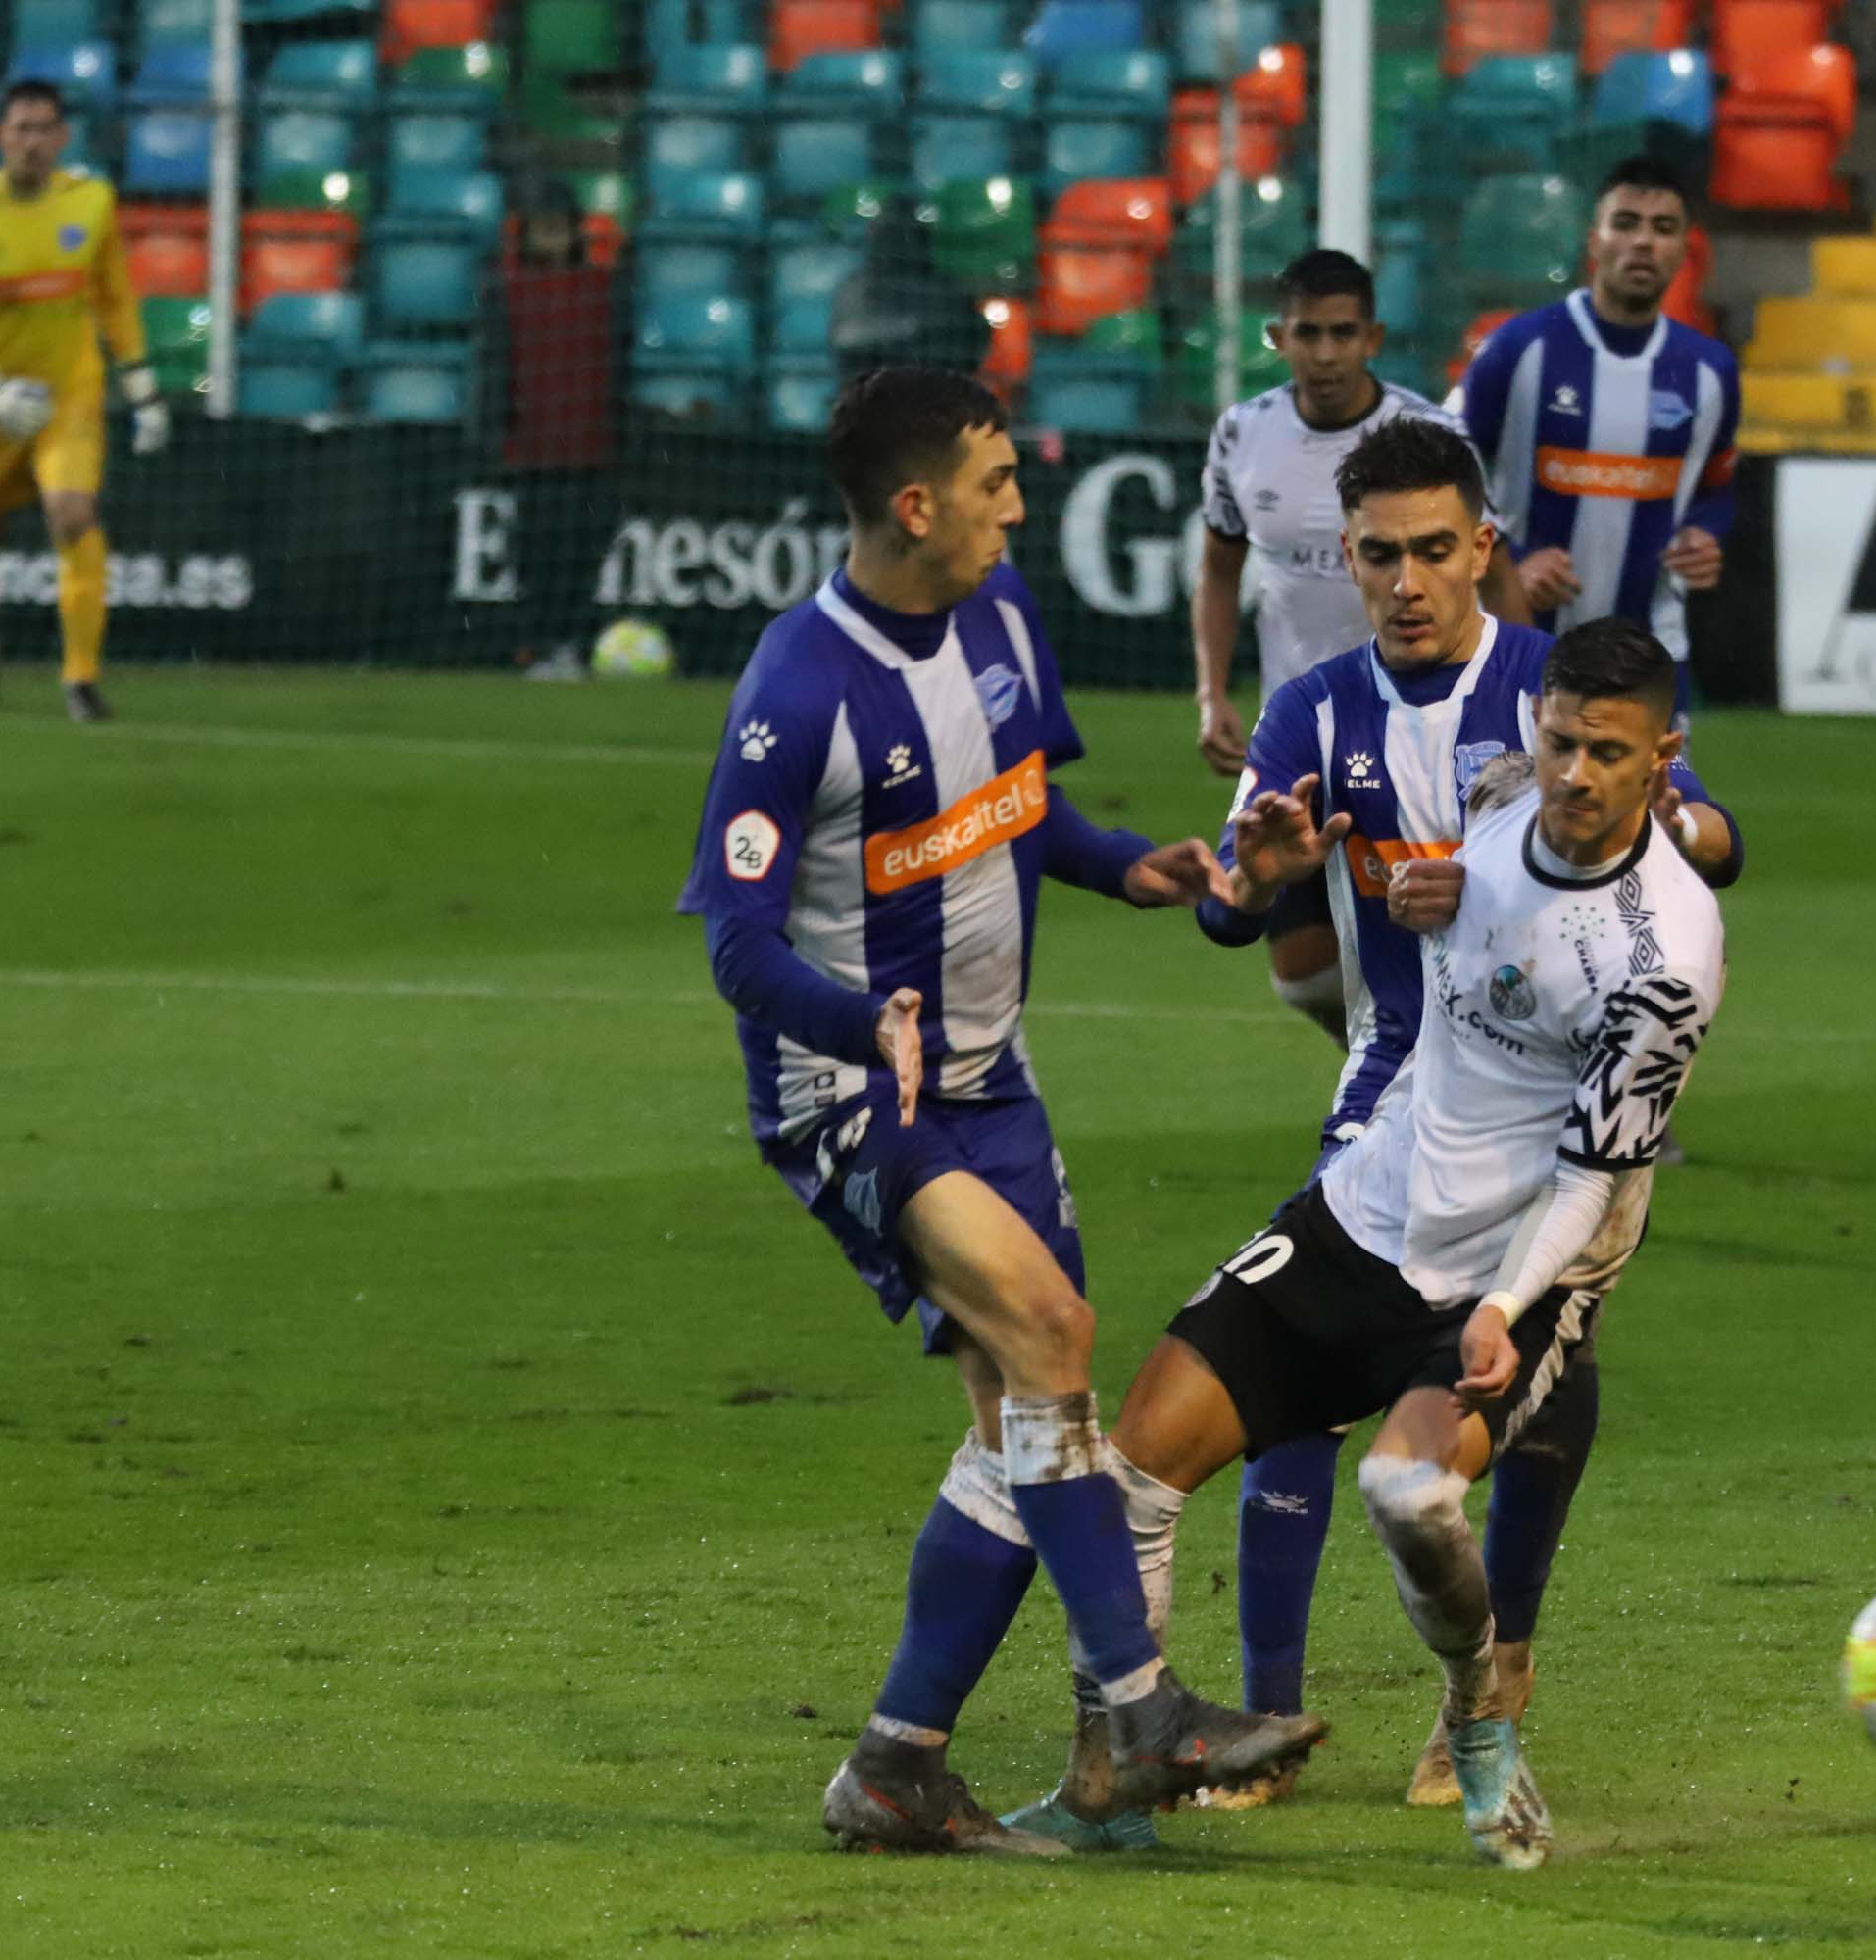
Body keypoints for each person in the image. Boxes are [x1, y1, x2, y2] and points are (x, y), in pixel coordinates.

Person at [676, 367, 1325, 1855]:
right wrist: (865, 1022)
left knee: (1024, 1419)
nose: (1017, 505)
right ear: (917, 507)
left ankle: (898, 1765)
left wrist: (1128, 869)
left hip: (994, 1078)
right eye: (994, 484)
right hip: (854, 1094)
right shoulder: (796, 689)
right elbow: (735, 941)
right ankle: (1142, 1707)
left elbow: (1020, 803)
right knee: (1052, 1339)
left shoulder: (1003, 616)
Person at [1030, 616, 1726, 1870]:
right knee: (1128, 1466)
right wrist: (1418, 892)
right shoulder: (1497, 791)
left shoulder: (1664, 959)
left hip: (1521, 1258)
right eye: (1561, 738)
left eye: (1609, 753)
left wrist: (1509, 1305)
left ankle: (1478, 1710)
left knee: (1405, 1490)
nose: (1573, 773)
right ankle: (1111, 1771)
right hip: (1369, 1205)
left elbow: (1595, 1175)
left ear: (1662, 757)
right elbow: (1454, 893)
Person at [1180, 416, 1746, 1819]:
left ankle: (1497, 1676)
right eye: (1380, 556)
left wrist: (1672, 838)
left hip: (1552, 1105)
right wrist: (1258, 882)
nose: (1410, 580)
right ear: (1347, 560)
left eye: (1437, 550)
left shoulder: (1555, 692)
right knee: (1295, 1385)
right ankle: (1265, 1713)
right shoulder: (1310, 710)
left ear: (1483, 547)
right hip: (1391, 1080)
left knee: (1533, 1366)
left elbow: (1709, 830)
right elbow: (1221, 907)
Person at [1194, 248, 1528, 1047]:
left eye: (1343, 333)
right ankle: (1401, 1057)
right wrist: (1211, 690)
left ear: (1373, 334)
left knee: (1494, 933)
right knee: (1303, 967)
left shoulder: (1433, 437)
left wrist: (1533, 672)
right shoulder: (1242, 435)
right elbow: (1216, 570)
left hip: (1437, 722)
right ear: (1278, 337)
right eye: (1308, 333)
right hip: (1314, 739)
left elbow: (1501, 573)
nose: (1326, 353)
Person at [0, 80, 171, 723]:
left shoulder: (92, 204)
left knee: (73, 516)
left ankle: (81, 679)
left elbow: (113, 297)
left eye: (43, 128)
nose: (31, 141)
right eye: (19, 128)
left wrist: (140, 383)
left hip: (67, 396)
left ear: (62, 137)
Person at [1453, 154, 1740, 723]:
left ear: (1686, 249)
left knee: (1661, 813)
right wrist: (1508, 569)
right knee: (1512, 811)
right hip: (1520, 649)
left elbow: (1715, 487)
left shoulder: (1710, 371)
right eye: (1626, 223)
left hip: (1651, 654)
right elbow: (1445, 477)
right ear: (1594, 239)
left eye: (1663, 229)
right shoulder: (1518, 350)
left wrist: (1707, 535)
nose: (1643, 243)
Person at [498, 178, 616, 668]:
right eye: (542, 229)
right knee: (533, 551)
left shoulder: (601, 289)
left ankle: (570, 641)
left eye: (558, 229)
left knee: (581, 553)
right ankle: (537, 642)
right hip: (532, 448)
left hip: (589, 447)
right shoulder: (508, 291)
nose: (550, 239)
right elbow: (496, 367)